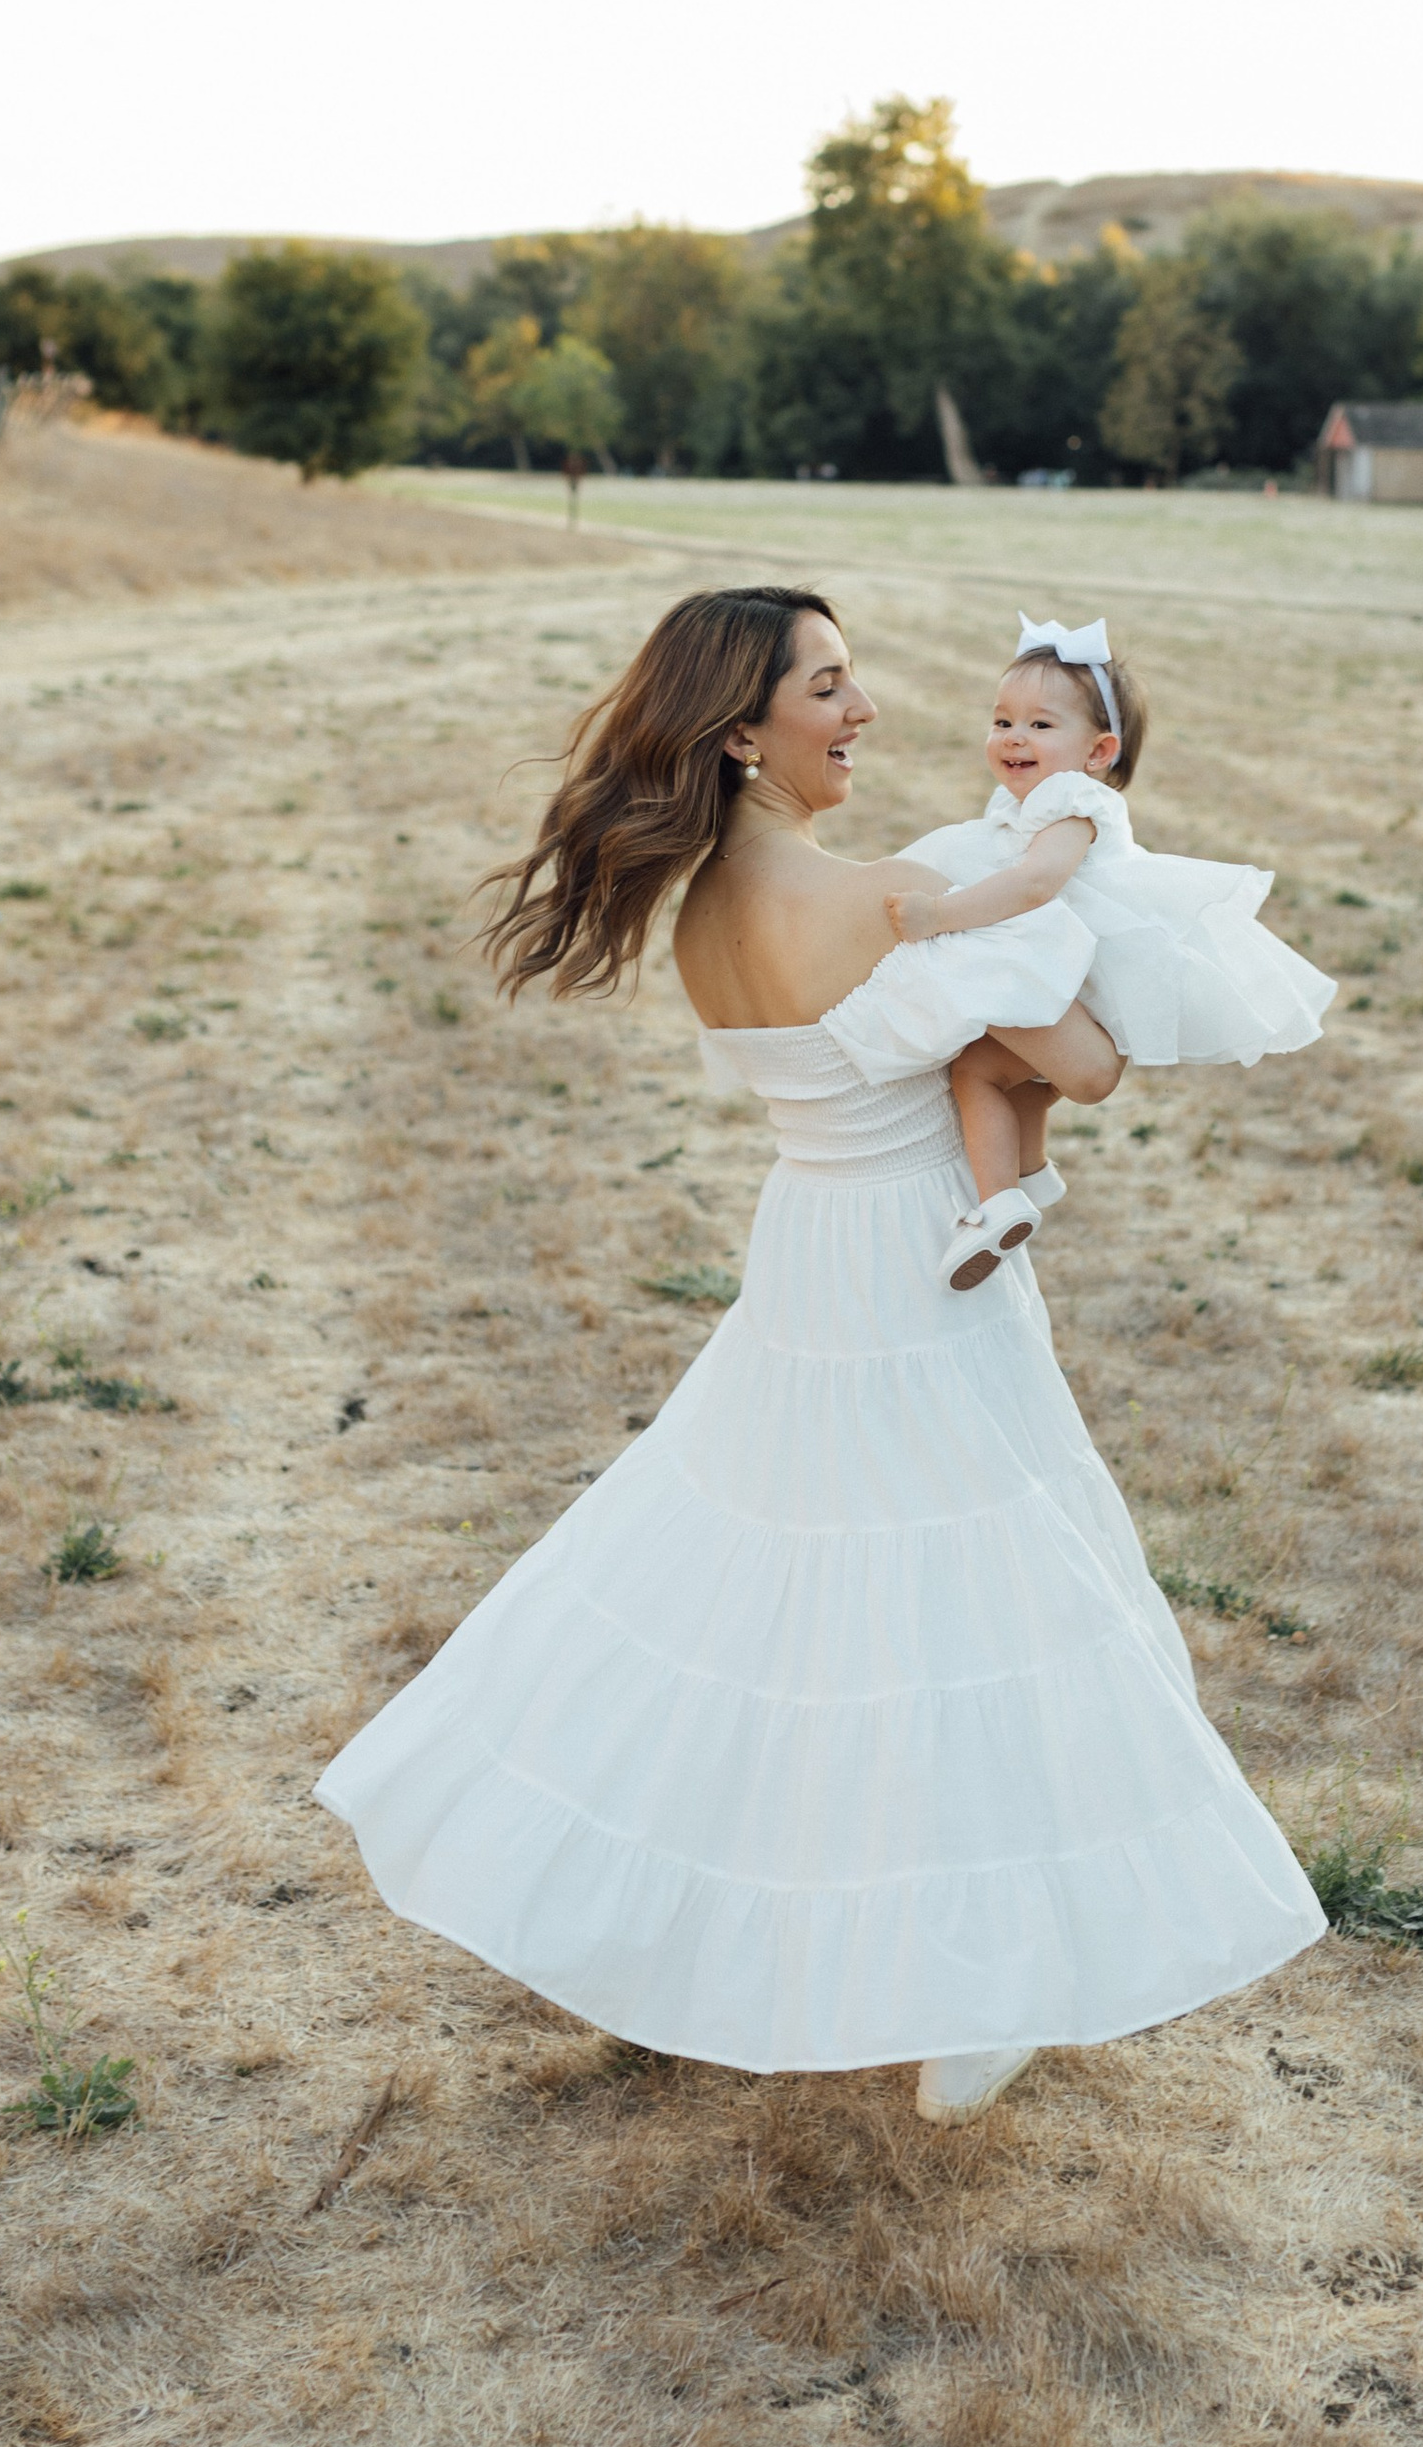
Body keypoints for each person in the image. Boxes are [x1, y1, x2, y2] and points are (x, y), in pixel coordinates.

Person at [314, 586, 1325, 2125]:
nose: (868, 714)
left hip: (806, 1248)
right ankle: (976, 1973)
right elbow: (1094, 1069)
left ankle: (730, 1927)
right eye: (833, 688)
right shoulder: (880, 895)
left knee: (777, 1588)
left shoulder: (704, 914)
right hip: (923, 1265)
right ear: (744, 731)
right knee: (980, 1592)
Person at [884, 613, 1335, 1293]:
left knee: (975, 1069)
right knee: (1017, 1072)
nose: (1013, 737)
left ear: (1099, 752)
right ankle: (1030, 1169)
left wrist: (942, 915)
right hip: (1072, 978)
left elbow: (1036, 883)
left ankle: (997, 1203)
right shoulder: (1041, 797)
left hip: (1079, 978)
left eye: (1040, 725)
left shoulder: (1070, 801)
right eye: (1002, 719)